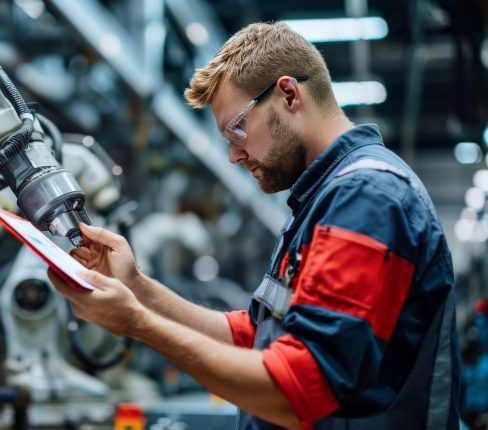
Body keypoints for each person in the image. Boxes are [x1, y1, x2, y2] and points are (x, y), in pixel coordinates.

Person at [47, 22, 460, 429]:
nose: (233, 155)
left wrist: (138, 322)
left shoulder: (367, 197)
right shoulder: (321, 201)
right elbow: (257, 337)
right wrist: (137, 287)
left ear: (289, 94)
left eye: (237, 128)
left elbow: (297, 386)